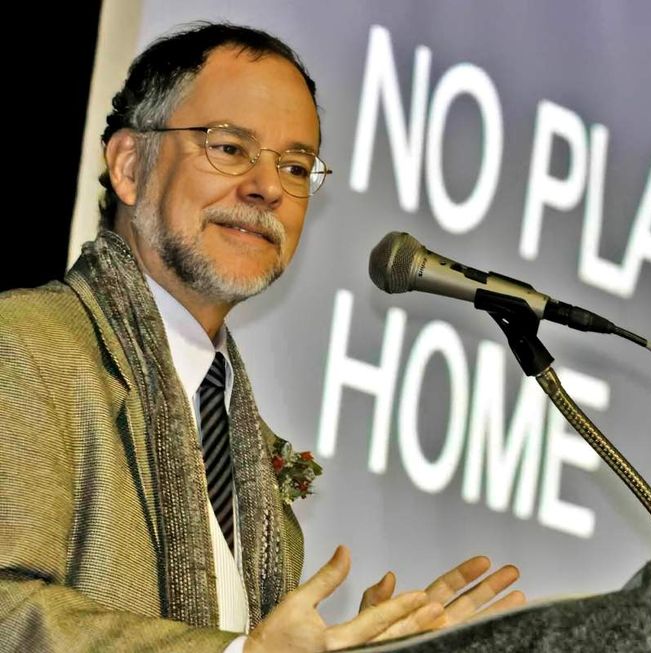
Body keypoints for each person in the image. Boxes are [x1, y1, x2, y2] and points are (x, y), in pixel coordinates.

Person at [0, 22, 524, 653]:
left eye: (296, 165)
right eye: (229, 148)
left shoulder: (241, 442)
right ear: (130, 165)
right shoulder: (27, 345)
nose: (269, 187)